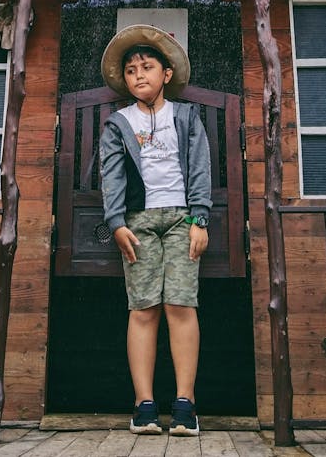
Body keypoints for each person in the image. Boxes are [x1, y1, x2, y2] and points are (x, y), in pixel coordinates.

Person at [99, 24, 212, 436]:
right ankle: (143, 404)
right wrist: (116, 224)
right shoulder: (119, 123)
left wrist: (200, 219)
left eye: (147, 67)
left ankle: (186, 403)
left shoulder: (185, 116)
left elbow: (200, 167)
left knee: (181, 305)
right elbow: (110, 177)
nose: (138, 75)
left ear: (166, 74)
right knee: (143, 308)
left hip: (183, 219)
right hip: (140, 224)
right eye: (130, 71)